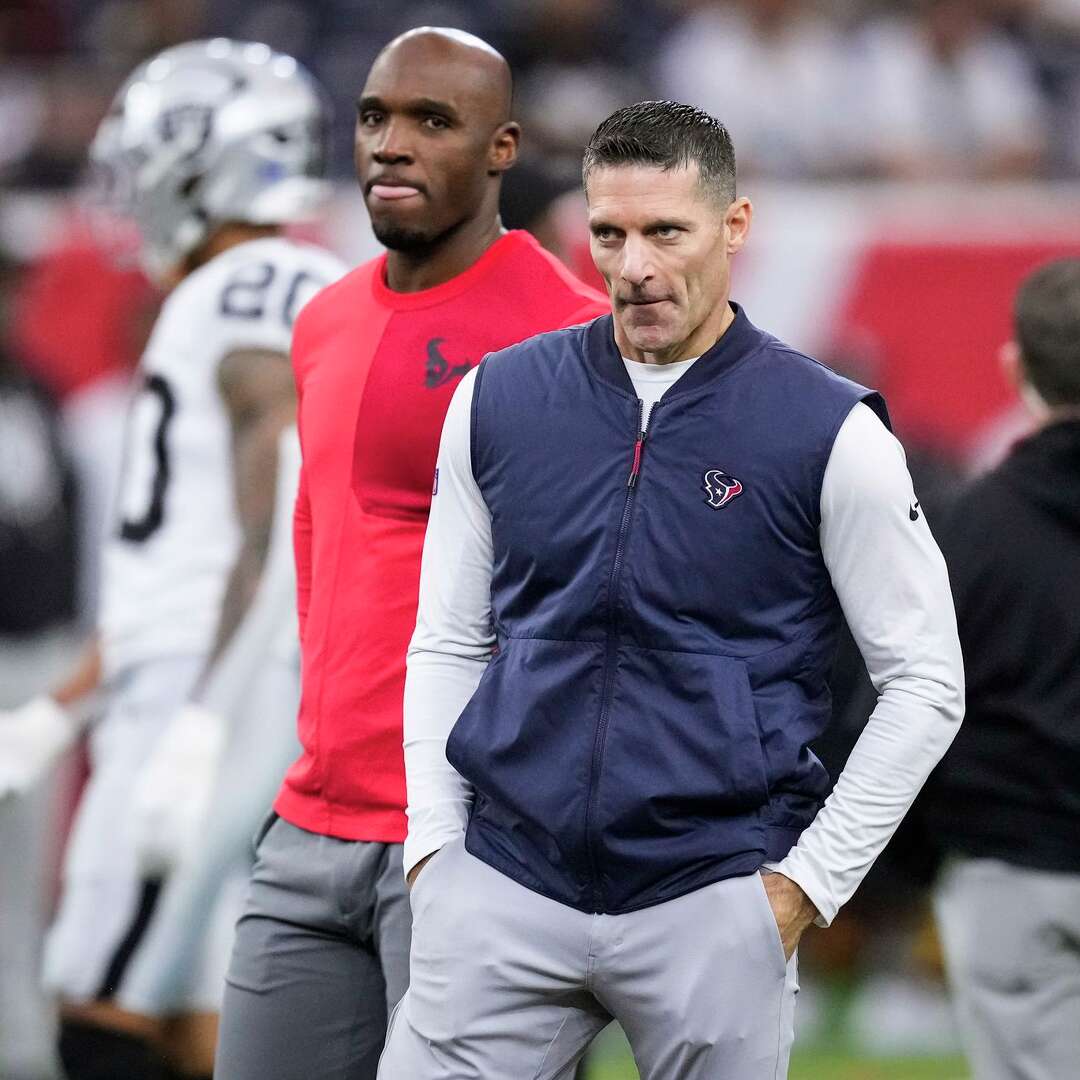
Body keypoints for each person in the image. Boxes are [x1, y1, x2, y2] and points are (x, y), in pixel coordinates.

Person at [383, 99, 965, 1080]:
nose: (635, 265)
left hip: (715, 896)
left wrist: (802, 891)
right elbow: (445, 639)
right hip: (504, 886)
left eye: (666, 232)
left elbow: (926, 681)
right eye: (609, 233)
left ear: (734, 228)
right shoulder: (500, 398)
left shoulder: (827, 431)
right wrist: (437, 852)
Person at [212, 26, 607, 1080]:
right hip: (311, 823)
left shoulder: (572, 341)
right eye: (377, 117)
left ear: (501, 149)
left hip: (474, 841)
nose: (393, 143)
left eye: (433, 121)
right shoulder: (327, 319)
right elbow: (317, 544)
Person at [0, 38, 348, 1080]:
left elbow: (274, 513)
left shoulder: (256, 285)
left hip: (215, 703)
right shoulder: (241, 287)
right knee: (197, 1012)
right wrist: (57, 714)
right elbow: (181, 567)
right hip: (195, 687)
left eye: (154, 152)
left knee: (104, 1009)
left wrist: (207, 727)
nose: (136, 185)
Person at [922, 258, 1080, 1080]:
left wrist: (905, 865)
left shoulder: (973, 526)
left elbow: (918, 703)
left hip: (1012, 867)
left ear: (1017, 367)